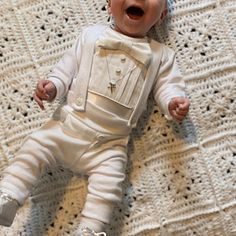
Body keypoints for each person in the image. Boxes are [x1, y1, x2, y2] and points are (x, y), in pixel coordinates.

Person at [0, 0, 190, 235]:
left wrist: (173, 103)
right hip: (67, 126)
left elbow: (167, 88)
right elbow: (64, 71)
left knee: (110, 186)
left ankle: (90, 229)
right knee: (34, 148)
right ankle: (8, 195)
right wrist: (51, 87)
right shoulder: (90, 36)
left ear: (161, 16)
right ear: (110, 5)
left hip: (110, 145)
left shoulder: (162, 56)